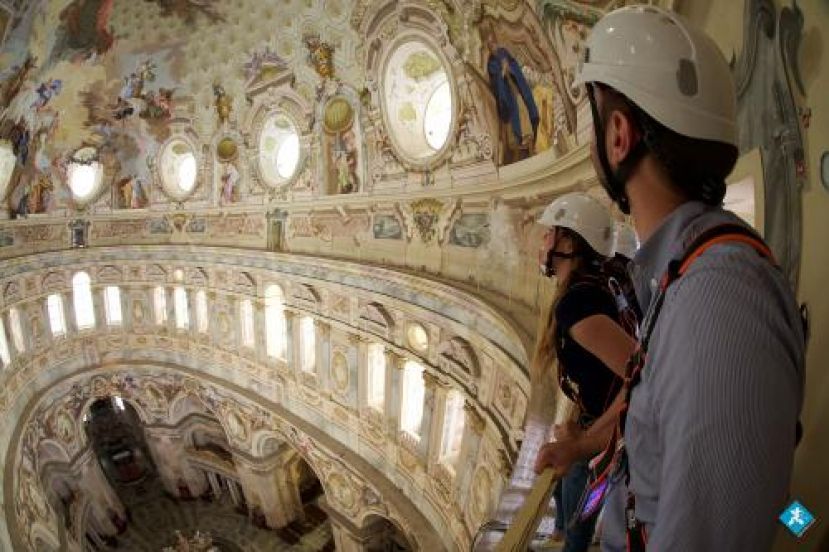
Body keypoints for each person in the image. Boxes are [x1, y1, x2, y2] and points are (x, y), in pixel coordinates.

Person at [535, 6, 805, 551]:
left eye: (593, 121)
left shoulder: (717, 298)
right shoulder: (680, 279)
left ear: (618, 136)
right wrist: (586, 444)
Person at [532, 192, 638, 552]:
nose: (543, 241)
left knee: (583, 505)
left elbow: (641, 377)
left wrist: (584, 443)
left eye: (550, 233)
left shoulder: (577, 305)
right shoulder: (594, 284)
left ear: (569, 241)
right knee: (578, 493)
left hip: (607, 432)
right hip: (600, 421)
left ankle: (573, 542)